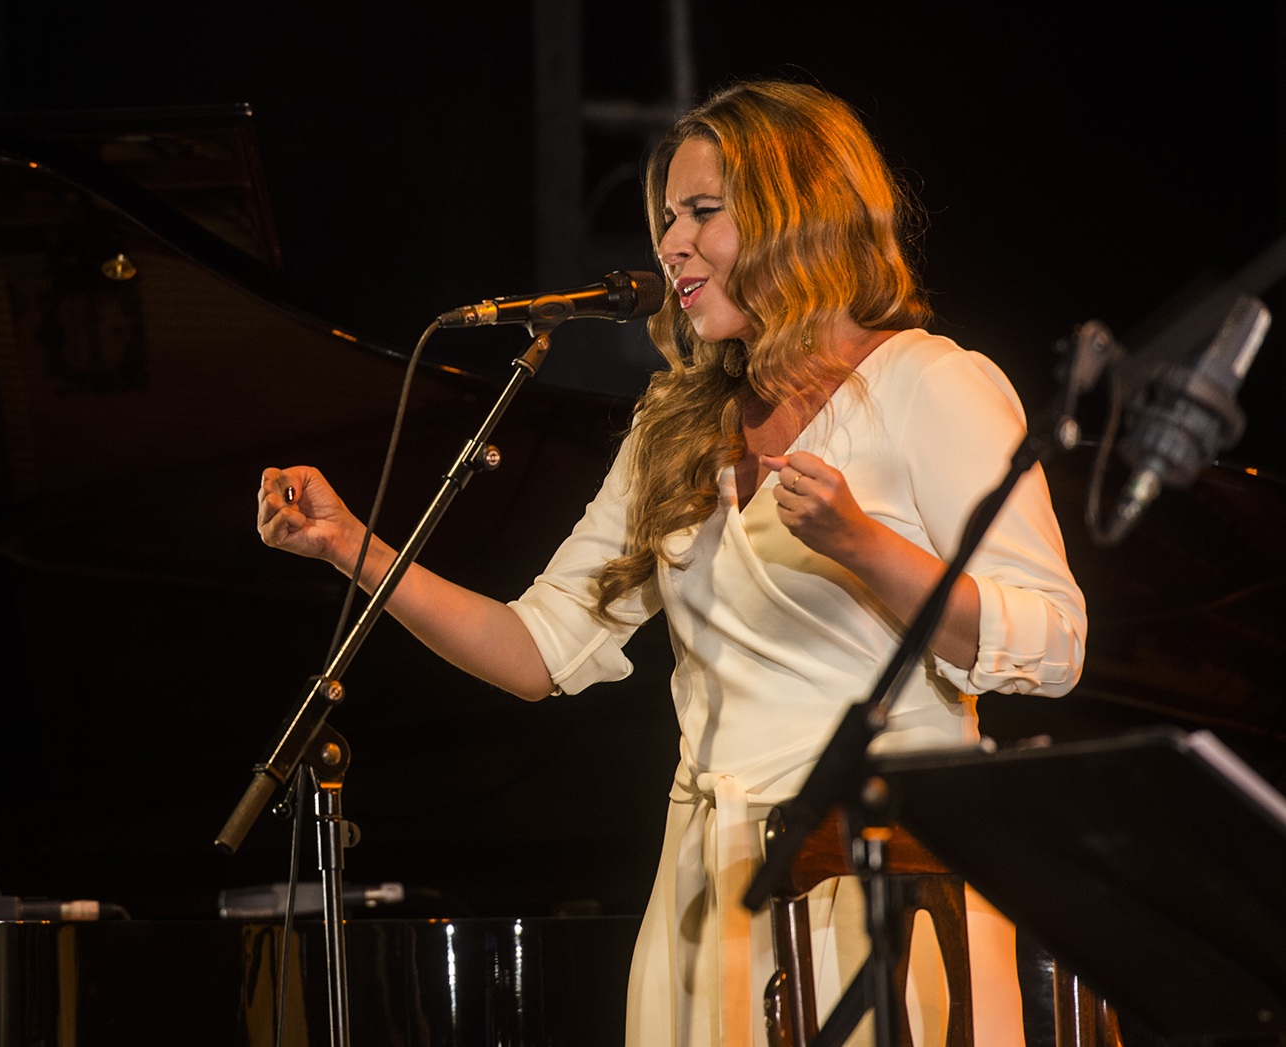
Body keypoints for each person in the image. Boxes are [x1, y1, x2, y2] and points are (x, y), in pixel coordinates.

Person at [256, 80, 1086, 1047]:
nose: (668, 245)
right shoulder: (674, 423)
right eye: (663, 220)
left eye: (701, 212)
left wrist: (864, 543)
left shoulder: (931, 383)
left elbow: (1054, 641)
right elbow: (538, 647)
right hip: (710, 880)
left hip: (880, 871)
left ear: (796, 209)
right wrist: (354, 547)